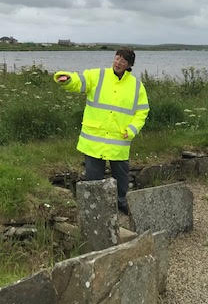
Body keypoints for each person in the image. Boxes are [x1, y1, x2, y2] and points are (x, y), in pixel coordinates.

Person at [54, 48, 149, 214]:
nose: (118, 62)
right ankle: (95, 208)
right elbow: (79, 81)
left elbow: (142, 111)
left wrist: (132, 129)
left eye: (123, 60)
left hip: (119, 141)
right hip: (93, 140)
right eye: (117, 58)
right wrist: (67, 79)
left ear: (129, 65)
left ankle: (120, 202)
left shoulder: (136, 86)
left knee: (121, 177)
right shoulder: (97, 75)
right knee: (93, 179)